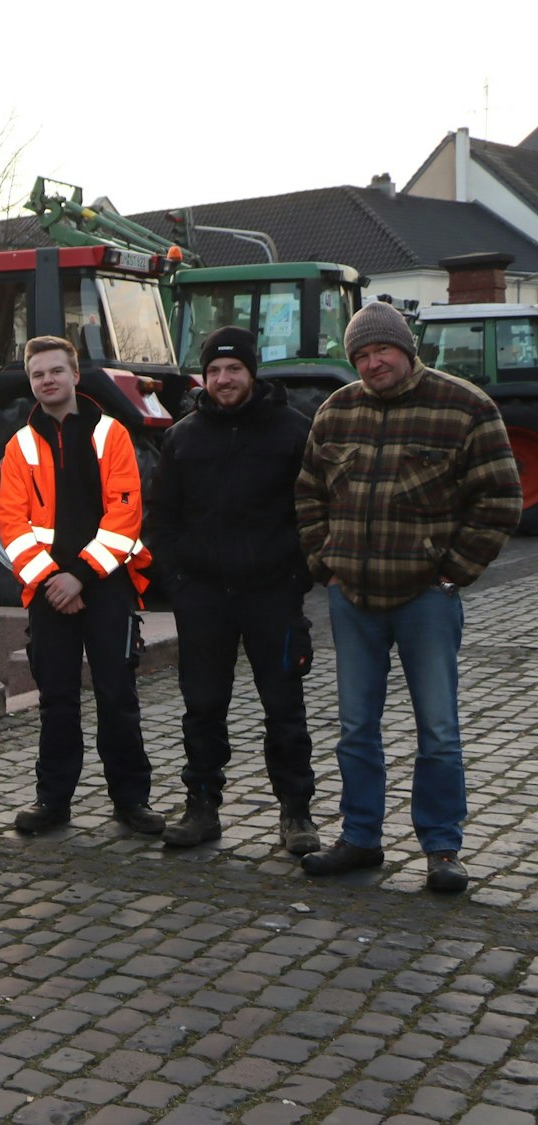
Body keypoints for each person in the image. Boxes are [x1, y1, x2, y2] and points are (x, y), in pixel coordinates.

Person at [294, 301, 521, 892]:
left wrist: (452, 574)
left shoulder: (465, 406)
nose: (373, 363)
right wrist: (327, 568)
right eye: (362, 356)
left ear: (406, 348)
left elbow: (499, 499)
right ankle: (360, 838)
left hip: (426, 600)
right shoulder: (335, 411)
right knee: (354, 728)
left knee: (439, 729)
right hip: (353, 601)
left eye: (382, 351)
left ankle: (442, 849)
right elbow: (309, 496)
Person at [144, 326, 321, 855]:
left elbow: (316, 511)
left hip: (273, 594)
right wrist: (178, 580)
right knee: (201, 705)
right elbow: (162, 518)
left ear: (252, 372)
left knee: (284, 707)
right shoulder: (183, 436)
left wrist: (296, 575)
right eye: (215, 371)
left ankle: (296, 813)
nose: (224, 379)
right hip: (203, 597)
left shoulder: (294, 432)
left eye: (234, 369)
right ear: (204, 376)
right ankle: (201, 805)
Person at [0, 336, 162, 836]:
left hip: (107, 585)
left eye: (55, 371)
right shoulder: (18, 445)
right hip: (49, 594)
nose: (47, 380)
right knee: (57, 701)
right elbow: (12, 525)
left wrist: (81, 576)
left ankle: (131, 801)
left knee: (117, 696)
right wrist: (52, 581)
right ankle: (53, 801)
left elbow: (125, 514)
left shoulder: (112, 434)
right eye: (38, 374)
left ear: (74, 376)